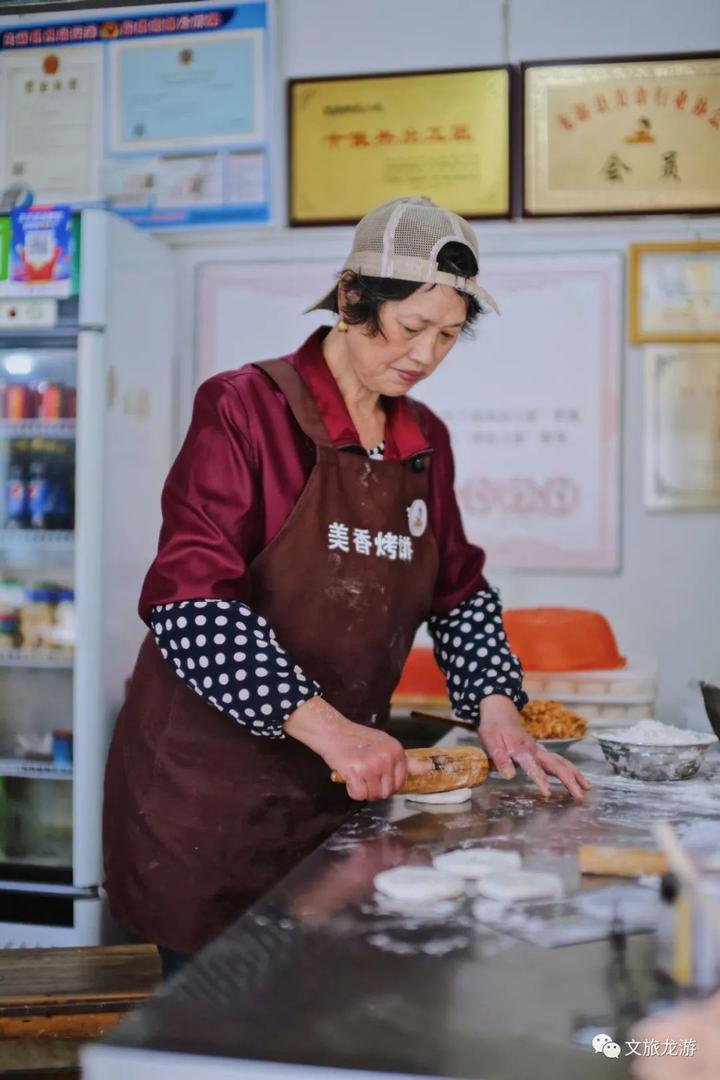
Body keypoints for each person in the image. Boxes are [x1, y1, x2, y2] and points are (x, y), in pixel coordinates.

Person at [103, 196, 590, 978]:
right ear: (351, 300)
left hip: (343, 792)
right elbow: (189, 605)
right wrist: (332, 730)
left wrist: (497, 705)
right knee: (220, 1021)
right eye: (409, 327)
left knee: (326, 1007)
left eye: (447, 335)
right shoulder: (243, 410)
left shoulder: (423, 437)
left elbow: (458, 587)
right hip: (213, 796)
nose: (426, 355)